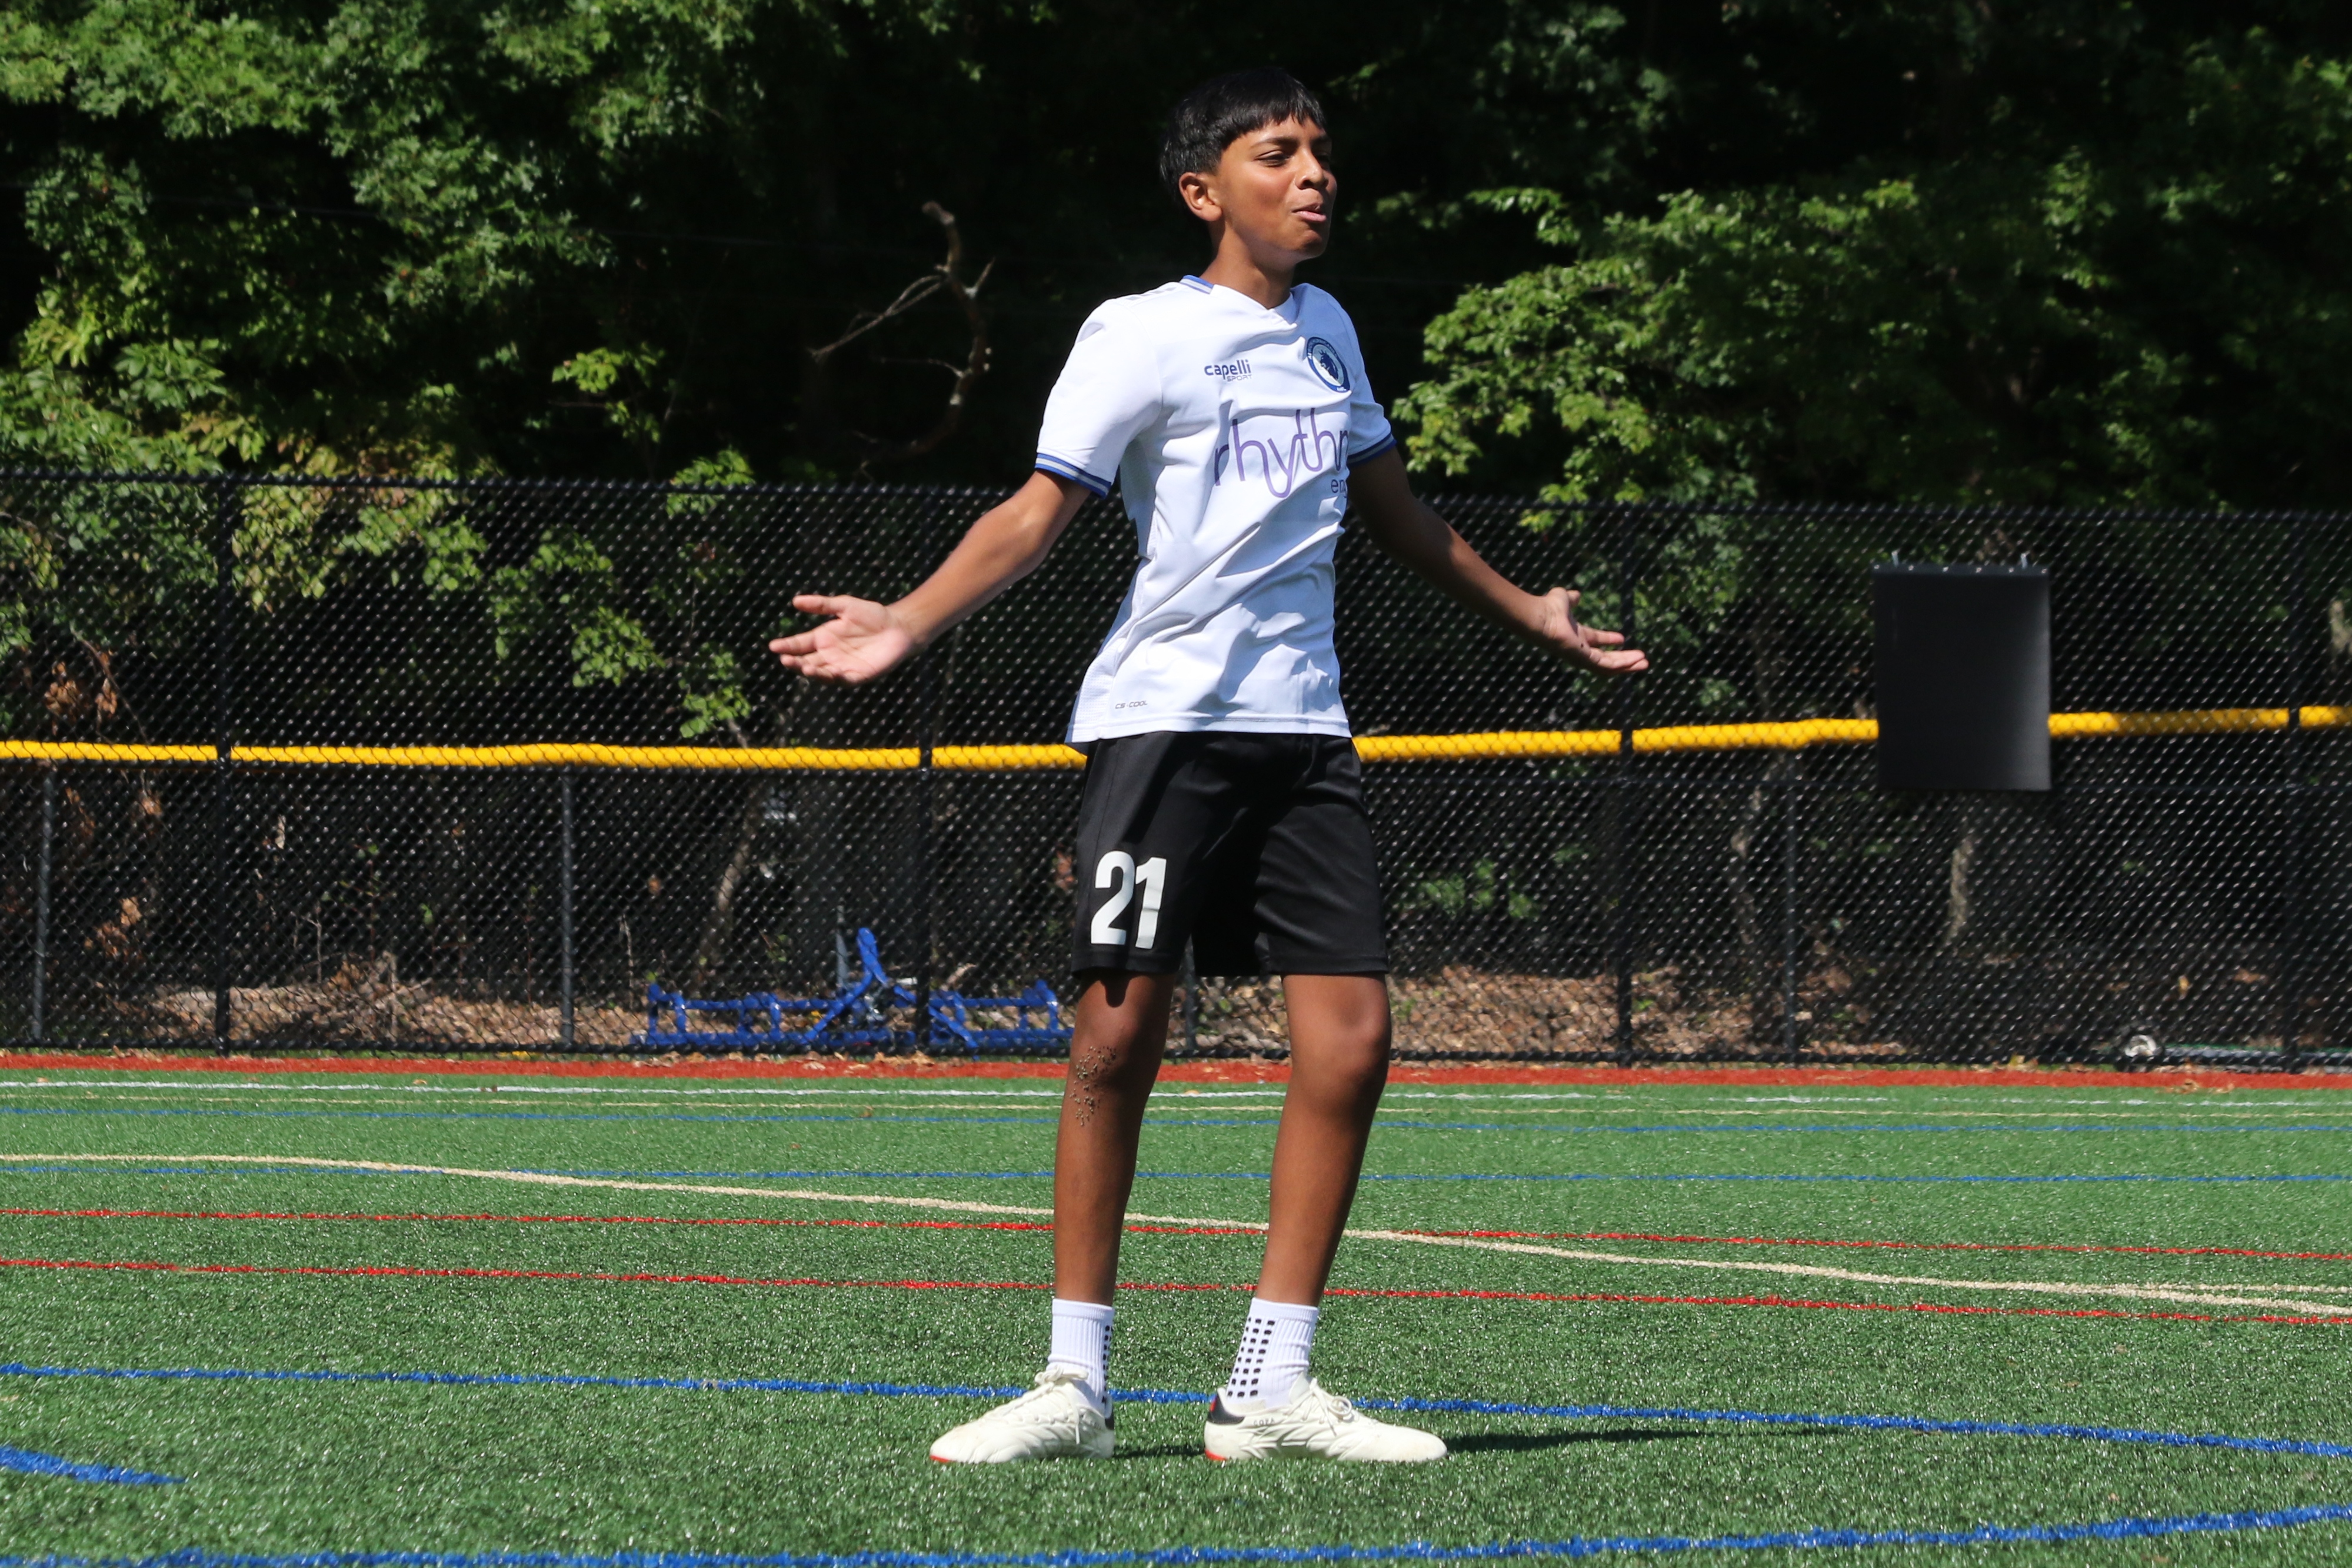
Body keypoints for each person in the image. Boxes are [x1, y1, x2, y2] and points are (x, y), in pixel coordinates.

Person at [770, 66, 1645, 1464]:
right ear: (1202, 190)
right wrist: (909, 620)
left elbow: (1398, 514)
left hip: (1306, 734)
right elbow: (1035, 511)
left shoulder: (1331, 332)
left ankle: (1265, 1386)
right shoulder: (1138, 333)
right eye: (1277, 154)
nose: (1314, 176)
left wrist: (1531, 612)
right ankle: (1074, 1385)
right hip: (1165, 725)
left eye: (1321, 153)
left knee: (1352, 1043)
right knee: (1116, 1038)